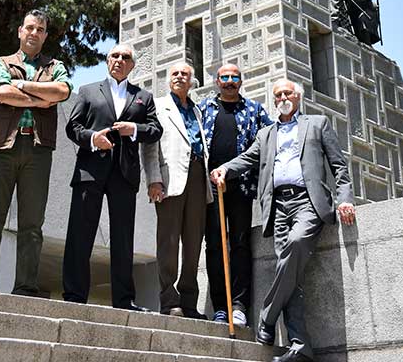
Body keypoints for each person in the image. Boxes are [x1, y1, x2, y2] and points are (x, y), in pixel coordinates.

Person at [210, 79, 356, 362]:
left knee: (297, 243)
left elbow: (338, 165)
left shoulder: (318, 124)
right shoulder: (266, 134)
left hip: (308, 201)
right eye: (277, 95)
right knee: (291, 274)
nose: (282, 97)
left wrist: (346, 198)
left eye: (287, 93)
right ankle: (300, 346)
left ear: (298, 97)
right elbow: (247, 159)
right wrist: (224, 169)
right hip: (277, 206)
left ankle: (266, 317)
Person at [0, 9, 72, 296]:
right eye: (30, 27)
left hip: (38, 151)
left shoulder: (55, 66)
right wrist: (40, 100)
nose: (34, 33)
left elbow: (62, 91)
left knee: (32, 223)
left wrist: (24, 86)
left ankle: (26, 287)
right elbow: (1, 93)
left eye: (40, 29)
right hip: (2, 147)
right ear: (20, 31)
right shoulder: (1, 63)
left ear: (45, 35)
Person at [62, 42, 162, 309]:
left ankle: (124, 300)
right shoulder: (87, 91)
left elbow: (155, 130)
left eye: (125, 57)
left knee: (123, 239)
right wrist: (93, 138)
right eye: (114, 55)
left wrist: (134, 129)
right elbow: (72, 127)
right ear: (107, 61)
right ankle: (74, 296)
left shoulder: (143, 96)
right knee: (79, 235)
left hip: (125, 174)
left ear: (132, 64)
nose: (119, 60)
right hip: (89, 170)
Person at [199, 63, 272, 327]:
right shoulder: (204, 108)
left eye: (234, 77)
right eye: (224, 77)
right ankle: (220, 306)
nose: (229, 81)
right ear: (216, 81)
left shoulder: (254, 110)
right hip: (210, 189)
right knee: (215, 246)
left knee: (240, 243)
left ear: (241, 81)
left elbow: (271, 137)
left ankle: (239, 306)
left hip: (241, 189)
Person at [142, 62, 212, 317]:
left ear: (192, 80)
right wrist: (153, 179)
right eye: (175, 73)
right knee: (168, 242)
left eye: (185, 74)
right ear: (168, 79)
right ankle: (169, 300)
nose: (180, 77)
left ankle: (190, 302)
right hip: (170, 180)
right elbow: (150, 147)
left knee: (194, 243)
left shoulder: (198, 110)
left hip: (198, 178)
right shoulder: (158, 106)